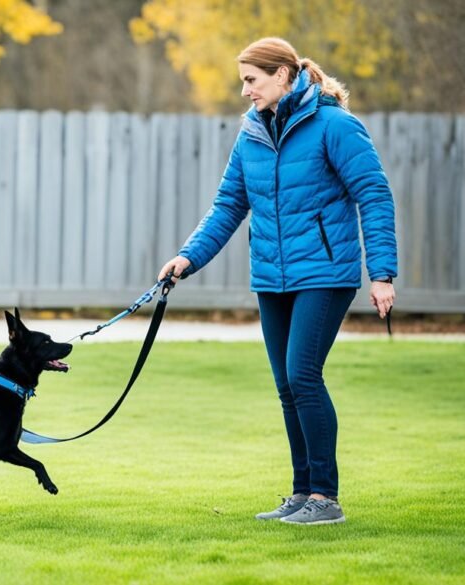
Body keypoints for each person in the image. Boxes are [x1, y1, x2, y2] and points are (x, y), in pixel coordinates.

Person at [157, 37, 397, 525]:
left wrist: (383, 273)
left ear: (283, 74)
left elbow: (374, 194)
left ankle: (325, 499)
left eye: (252, 79)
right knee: (287, 386)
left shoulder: (334, 125)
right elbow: (228, 206)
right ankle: (302, 491)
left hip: (325, 275)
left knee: (303, 376)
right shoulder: (251, 134)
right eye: (242, 81)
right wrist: (187, 257)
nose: (245, 90)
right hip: (272, 278)